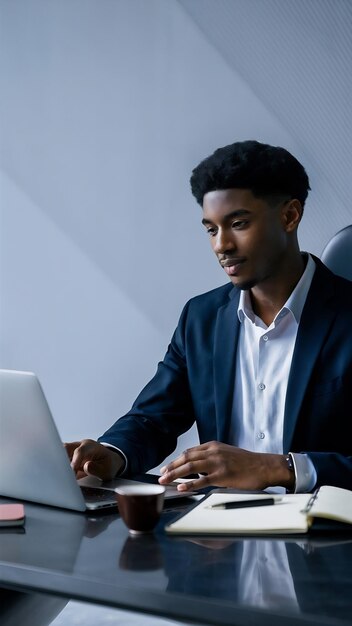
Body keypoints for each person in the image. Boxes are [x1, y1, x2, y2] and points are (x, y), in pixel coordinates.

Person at [65, 140, 352, 493]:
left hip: (325, 537)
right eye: (211, 229)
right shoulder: (201, 318)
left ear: (290, 216)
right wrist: (110, 454)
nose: (221, 245)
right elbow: (153, 418)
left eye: (239, 223)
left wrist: (281, 468)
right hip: (217, 531)